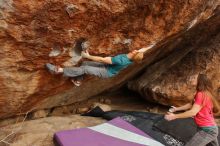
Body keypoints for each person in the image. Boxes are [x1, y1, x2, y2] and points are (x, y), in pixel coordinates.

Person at [165, 74, 219, 146]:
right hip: (209, 128)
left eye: (194, 78)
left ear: (200, 81)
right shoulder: (201, 93)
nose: (191, 79)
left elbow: (193, 112)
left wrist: (174, 116)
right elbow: (190, 104)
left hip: (207, 131)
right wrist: (176, 109)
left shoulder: (201, 94)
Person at [46, 49, 144, 86]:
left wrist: (88, 56)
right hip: (107, 66)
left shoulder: (121, 61)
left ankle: (59, 70)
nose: (136, 50)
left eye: (136, 52)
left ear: (134, 55)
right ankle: (77, 81)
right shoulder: (132, 58)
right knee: (85, 64)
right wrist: (149, 46)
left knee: (85, 69)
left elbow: (101, 60)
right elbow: (143, 50)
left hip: (107, 72)